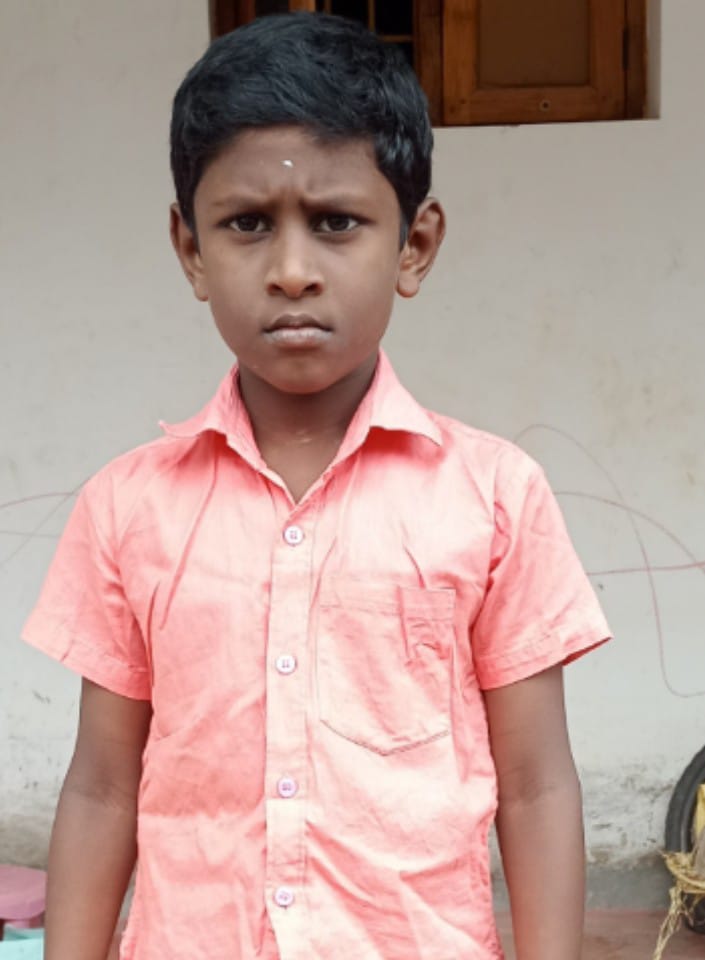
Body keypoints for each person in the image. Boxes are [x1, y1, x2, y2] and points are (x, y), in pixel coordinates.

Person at [23, 12, 611, 960]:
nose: (291, 272)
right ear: (190, 249)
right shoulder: (127, 508)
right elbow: (101, 787)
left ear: (414, 245)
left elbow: (537, 785)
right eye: (247, 225)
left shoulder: (495, 497)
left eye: (336, 223)